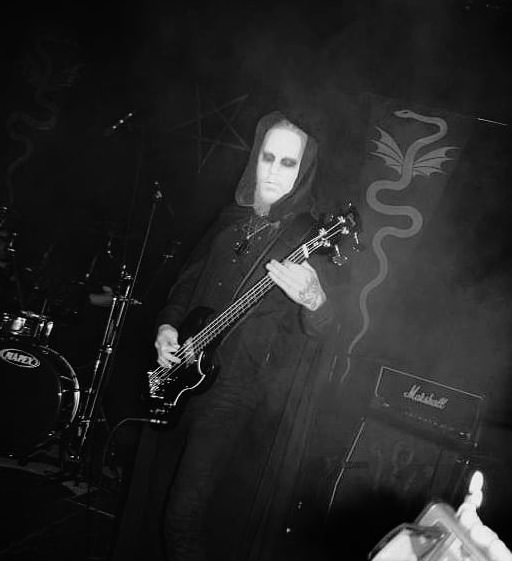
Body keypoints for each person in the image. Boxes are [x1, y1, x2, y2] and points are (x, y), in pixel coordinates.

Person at [153, 111, 345, 560]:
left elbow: (330, 329)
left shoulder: (309, 235)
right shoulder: (229, 218)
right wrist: (166, 326)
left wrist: (316, 300)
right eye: (268, 157)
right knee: (154, 494)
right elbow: (186, 283)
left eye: (288, 163)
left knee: (183, 519)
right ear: (254, 158)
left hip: (238, 391)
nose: (274, 171)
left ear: (304, 171)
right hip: (183, 372)